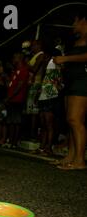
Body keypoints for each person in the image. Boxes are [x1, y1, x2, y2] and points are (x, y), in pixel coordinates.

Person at [53, 10, 87, 170]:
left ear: (83, 21)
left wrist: (66, 58)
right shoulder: (78, 40)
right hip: (72, 81)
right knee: (70, 121)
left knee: (75, 120)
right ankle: (71, 157)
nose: (73, 25)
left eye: (75, 21)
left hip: (83, 81)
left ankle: (80, 160)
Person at [37, 47, 63, 156]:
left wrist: (59, 86)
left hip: (51, 95)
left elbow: (60, 79)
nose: (43, 58)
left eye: (45, 56)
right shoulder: (48, 65)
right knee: (43, 123)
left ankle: (48, 148)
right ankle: (42, 147)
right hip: (44, 95)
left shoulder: (55, 63)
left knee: (49, 124)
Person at [4, 52, 30, 148]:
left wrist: (9, 97)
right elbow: (11, 85)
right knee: (11, 121)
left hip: (17, 99)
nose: (13, 59)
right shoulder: (15, 71)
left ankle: (14, 142)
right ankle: (10, 142)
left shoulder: (23, 70)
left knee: (16, 121)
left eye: (14, 57)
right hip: (12, 99)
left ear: (19, 58)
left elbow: (19, 86)